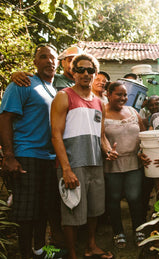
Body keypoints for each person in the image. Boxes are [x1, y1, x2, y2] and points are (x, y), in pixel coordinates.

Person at [0, 44, 66, 259]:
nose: (49, 61)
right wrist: (9, 156)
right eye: (43, 57)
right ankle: (26, 254)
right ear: (35, 62)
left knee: (44, 208)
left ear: (58, 63)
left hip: (49, 158)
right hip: (26, 154)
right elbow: (5, 118)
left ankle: (40, 250)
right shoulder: (22, 84)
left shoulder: (54, 90)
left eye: (53, 57)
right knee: (27, 212)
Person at [51, 53, 115, 259]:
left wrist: (108, 150)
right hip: (73, 164)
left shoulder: (98, 102)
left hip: (95, 162)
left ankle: (91, 246)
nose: (85, 74)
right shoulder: (63, 96)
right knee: (71, 210)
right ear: (73, 71)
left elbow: (101, 135)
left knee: (95, 210)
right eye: (81, 69)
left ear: (95, 74)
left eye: (90, 70)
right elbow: (55, 135)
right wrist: (66, 169)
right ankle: (72, 254)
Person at [103, 82, 146, 248]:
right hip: (111, 163)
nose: (123, 98)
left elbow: (143, 134)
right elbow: (99, 137)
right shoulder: (102, 112)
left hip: (133, 162)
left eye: (125, 95)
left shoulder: (133, 112)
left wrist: (143, 151)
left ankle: (138, 229)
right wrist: (107, 151)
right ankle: (118, 232)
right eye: (119, 94)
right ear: (108, 94)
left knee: (134, 197)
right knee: (113, 198)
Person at [10, 46, 83, 90]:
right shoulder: (54, 79)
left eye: (79, 62)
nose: (75, 65)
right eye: (70, 60)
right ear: (63, 63)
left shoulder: (84, 84)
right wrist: (17, 75)